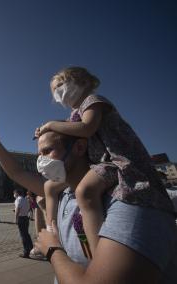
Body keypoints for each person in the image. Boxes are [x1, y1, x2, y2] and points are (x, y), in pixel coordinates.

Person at [0, 119, 177, 283]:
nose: (41, 161)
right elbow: (17, 172)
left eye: (47, 151)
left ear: (80, 147)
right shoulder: (64, 191)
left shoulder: (128, 198)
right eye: (39, 154)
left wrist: (52, 250)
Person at [35, 66, 174, 253]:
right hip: (98, 163)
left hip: (119, 161)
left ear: (83, 82)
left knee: (85, 191)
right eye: (54, 91)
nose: (57, 93)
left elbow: (86, 128)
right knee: (50, 186)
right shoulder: (73, 115)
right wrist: (46, 130)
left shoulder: (93, 101)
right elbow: (66, 133)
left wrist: (51, 124)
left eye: (60, 85)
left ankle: (96, 251)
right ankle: (53, 230)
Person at [14, 189, 33, 258]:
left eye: (14, 193)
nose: (14, 195)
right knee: (27, 234)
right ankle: (31, 248)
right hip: (26, 217)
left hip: (21, 218)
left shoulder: (18, 199)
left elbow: (18, 210)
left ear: (17, 193)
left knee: (23, 235)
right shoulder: (25, 199)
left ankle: (26, 252)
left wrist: (16, 219)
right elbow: (28, 208)